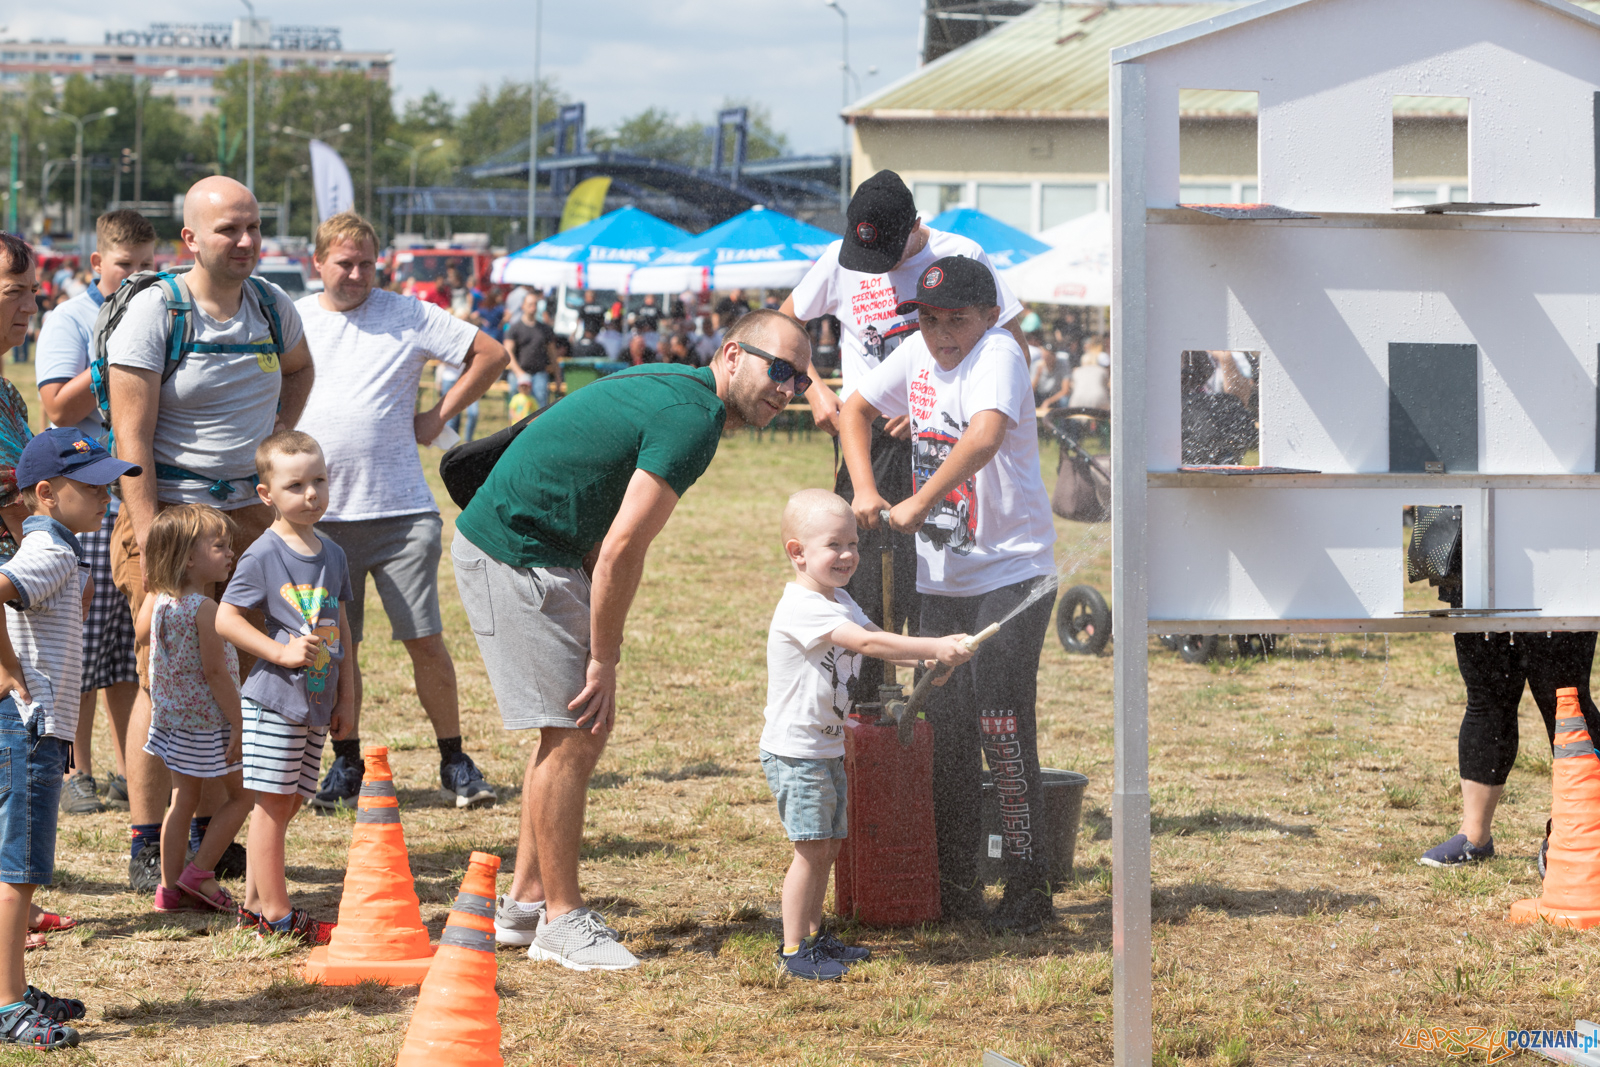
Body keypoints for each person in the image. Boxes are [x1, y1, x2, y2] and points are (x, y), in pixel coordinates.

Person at [461, 308, 812, 971]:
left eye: (801, 379)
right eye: (781, 370)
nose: (789, 389)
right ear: (733, 355)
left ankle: (525, 904)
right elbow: (624, 546)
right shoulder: (694, 418)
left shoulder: (686, 392)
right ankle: (562, 921)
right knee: (576, 731)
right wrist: (604, 656)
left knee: (569, 729)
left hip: (541, 548)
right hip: (517, 549)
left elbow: (607, 521)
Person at [106, 175, 316, 891]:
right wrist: (153, 549)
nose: (247, 240)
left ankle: (207, 836)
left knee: (240, 675)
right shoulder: (156, 311)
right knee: (163, 680)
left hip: (250, 520)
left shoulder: (272, 305)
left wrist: (276, 434)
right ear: (191, 238)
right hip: (170, 517)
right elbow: (130, 441)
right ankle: (147, 839)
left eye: (254, 226)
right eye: (230, 228)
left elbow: (300, 369)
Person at [840, 256, 1058, 933]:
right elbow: (855, 408)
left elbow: (986, 436)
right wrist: (866, 489)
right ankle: (955, 883)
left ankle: (1028, 887)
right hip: (942, 583)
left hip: (1012, 574)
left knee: (1001, 722)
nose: (940, 335)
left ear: (989, 316)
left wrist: (919, 501)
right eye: (929, 320)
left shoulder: (998, 353)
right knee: (943, 728)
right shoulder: (916, 352)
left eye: (955, 320)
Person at [783, 170, 1027, 712]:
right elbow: (783, 325)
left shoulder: (962, 255)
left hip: (943, 441)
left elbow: (1010, 346)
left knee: (932, 580)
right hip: (868, 441)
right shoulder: (840, 260)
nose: (877, 268)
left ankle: (936, 720)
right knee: (858, 578)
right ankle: (864, 715)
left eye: (889, 255)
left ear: (916, 226)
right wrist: (813, 387)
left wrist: (936, 410)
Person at [294, 212, 508, 811]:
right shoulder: (294, 318)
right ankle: (346, 761)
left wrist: (438, 416)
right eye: (344, 263)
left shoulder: (409, 313)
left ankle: (454, 759)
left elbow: (491, 355)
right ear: (318, 262)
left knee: (425, 639)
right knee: (334, 649)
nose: (357, 274)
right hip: (319, 519)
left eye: (367, 263)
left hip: (401, 515)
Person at [763, 488, 973, 980]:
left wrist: (926, 661)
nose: (848, 555)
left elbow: (880, 637)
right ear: (797, 552)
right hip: (797, 753)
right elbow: (868, 642)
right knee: (810, 849)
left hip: (826, 747)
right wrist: (933, 646)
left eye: (853, 544)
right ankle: (793, 950)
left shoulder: (839, 599)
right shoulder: (804, 607)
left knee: (828, 846)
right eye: (834, 545)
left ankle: (814, 937)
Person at [0, 425, 143, 1050]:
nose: (106, 498)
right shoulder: (53, 554)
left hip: (30, 729)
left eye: (108, 486)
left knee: (15, 868)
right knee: (18, 871)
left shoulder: (54, 549)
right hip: (28, 729)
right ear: (46, 494)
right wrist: (9, 671)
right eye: (91, 488)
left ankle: (10, 986)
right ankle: (7, 1005)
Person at [35, 210, 155, 817]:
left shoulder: (160, 311)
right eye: (124, 265)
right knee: (80, 638)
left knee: (127, 643)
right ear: (96, 263)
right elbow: (58, 407)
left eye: (147, 266)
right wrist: (114, 351)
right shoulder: (70, 318)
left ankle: (129, 770)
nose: (136, 277)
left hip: (132, 489)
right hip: (84, 494)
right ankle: (74, 770)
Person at [214, 432, 351, 943]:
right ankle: (277, 915)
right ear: (266, 494)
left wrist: (347, 698)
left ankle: (254, 906)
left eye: (319, 480)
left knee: (289, 802)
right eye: (296, 485)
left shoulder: (333, 554)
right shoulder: (262, 554)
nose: (311, 494)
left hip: (315, 702)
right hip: (274, 701)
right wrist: (280, 652)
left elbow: (342, 631)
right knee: (272, 805)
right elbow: (226, 618)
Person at [135, 504, 251, 915]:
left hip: (176, 722)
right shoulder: (206, 609)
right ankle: (199, 873)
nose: (230, 553)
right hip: (211, 722)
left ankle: (168, 891)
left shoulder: (162, 602)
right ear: (187, 558)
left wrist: (155, 585)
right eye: (219, 546)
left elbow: (140, 632)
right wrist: (239, 722)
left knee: (182, 800)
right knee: (244, 796)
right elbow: (216, 673)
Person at [505, 292, 555, 408]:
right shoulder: (514, 328)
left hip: (539, 374)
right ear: (522, 306)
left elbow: (552, 353)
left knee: (540, 409)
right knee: (518, 409)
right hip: (518, 374)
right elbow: (508, 352)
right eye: (530, 304)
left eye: (535, 304)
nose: (533, 307)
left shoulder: (545, 329)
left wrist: (557, 376)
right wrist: (519, 373)